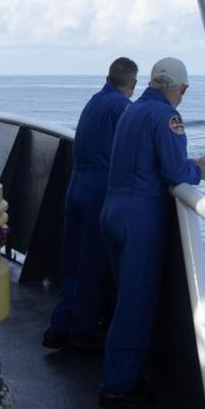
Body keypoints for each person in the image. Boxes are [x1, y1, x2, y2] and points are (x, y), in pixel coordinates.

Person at [98, 57, 205, 408]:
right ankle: (119, 385)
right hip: (139, 218)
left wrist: (191, 164)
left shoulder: (132, 111)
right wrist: (202, 172)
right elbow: (172, 172)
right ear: (180, 89)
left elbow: (148, 160)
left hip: (112, 211)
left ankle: (119, 372)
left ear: (152, 83)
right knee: (135, 305)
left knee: (123, 297)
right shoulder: (168, 117)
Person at [43, 57, 138, 355]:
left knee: (73, 263)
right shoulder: (122, 107)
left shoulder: (94, 102)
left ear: (108, 77)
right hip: (99, 191)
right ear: (132, 85)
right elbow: (135, 152)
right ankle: (82, 332)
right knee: (92, 266)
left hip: (77, 186)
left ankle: (59, 326)